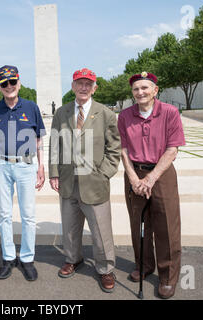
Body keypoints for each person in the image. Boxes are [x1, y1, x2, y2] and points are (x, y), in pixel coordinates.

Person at [48, 68, 121, 293]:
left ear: (94, 88)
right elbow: (54, 145)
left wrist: (104, 173)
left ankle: (106, 269)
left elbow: (114, 147)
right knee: (70, 227)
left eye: (88, 84)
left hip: (94, 181)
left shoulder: (105, 113)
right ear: (72, 86)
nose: (83, 87)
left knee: (100, 230)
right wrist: (54, 172)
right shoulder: (62, 112)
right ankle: (73, 258)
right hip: (69, 180)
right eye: (79, 83)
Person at [117, 72, 186, 299]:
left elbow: (172, 149)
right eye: (136, 89)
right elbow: (123, 150)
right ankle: (144, 265)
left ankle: (167, 276)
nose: (140, 92)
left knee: (167, 227)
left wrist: (151, 178)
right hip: (134, 173)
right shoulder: (125, 116)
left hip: (161, 173)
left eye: (145, 88)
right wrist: (134, 179)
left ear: (155, 90)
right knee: (138, 224)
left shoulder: (169, 112)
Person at [0, 65, 46, 281]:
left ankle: (27, 258)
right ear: (0, 86)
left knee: (28, 216)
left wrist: (41, 165)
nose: (9, 86)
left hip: (26, 165)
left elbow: (38, 140)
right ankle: (8, 258)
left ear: (19, 83)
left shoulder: (31, 107)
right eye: (4, 83)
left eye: (12, 82)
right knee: (4, 215)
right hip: (1, 165)